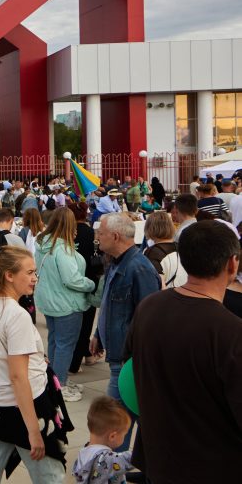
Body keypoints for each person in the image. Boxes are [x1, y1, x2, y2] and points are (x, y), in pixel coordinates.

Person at [125, 221, 242, 482]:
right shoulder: (232, 332)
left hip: (160, 461)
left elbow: (130, 374)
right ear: (232, 264)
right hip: (215, 467)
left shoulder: (148, 308)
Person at [0, 246, 69, 482]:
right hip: (25, 405)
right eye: (29, 272)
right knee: (50, 474)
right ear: (9, 275)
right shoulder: (16, 315)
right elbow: (18, 377)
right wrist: (33, 431)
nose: (34, 278)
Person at [90, 212, 160, 451]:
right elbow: (111, 303)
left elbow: (149, 319)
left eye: (100, 234)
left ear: (116, 236)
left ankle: (112, 469)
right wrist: (99, 335)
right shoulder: (115, 262)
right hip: (119, 356)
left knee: (114, 423)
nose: (97, 238)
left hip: (128, 360)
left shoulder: (139, 268)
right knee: (122, 421)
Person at [34, 207, 95, 401]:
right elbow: (72, 280)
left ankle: (54, 381)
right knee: (64, 345)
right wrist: (91, 284)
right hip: (66, 303)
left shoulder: (44, 245)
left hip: (50, 301)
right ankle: (59, 383)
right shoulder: (62, 249)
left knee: (55, 342)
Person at [68, 203, 101, 374]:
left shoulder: (67, 235)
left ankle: (80, 357)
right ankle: (82, 356)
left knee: (73, 324)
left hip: (71, 283)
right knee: (86, 323)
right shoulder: (91, 233)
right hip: (90, 281)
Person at [71, 396, 133, 484]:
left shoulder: (84, 452)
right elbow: (127, 460)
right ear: (112, 436)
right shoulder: (106, 459)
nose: (125, 436)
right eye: (124, 434)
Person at [141, 211, 186, 288]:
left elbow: (157, 285)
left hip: (169, 297)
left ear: (149, 228)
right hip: (186, 293)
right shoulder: (182, 247)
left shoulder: (152, 252)